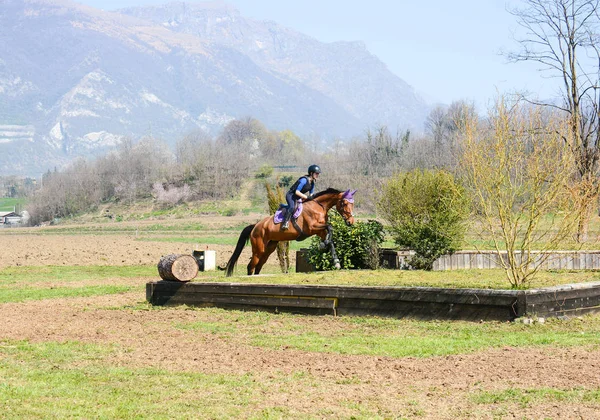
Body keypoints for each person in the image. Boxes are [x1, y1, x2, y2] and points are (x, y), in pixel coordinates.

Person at [282, 164, 321, 230]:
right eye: (316, 173)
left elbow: (311, 194)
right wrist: (306, 197)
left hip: (298, 197)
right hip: (291, 195)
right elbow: (296, 192)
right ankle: (285, 223)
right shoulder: (304, 180)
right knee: (292, 207)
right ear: (311, 173)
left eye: (318, 173)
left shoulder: (312, 183)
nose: (318, 175)